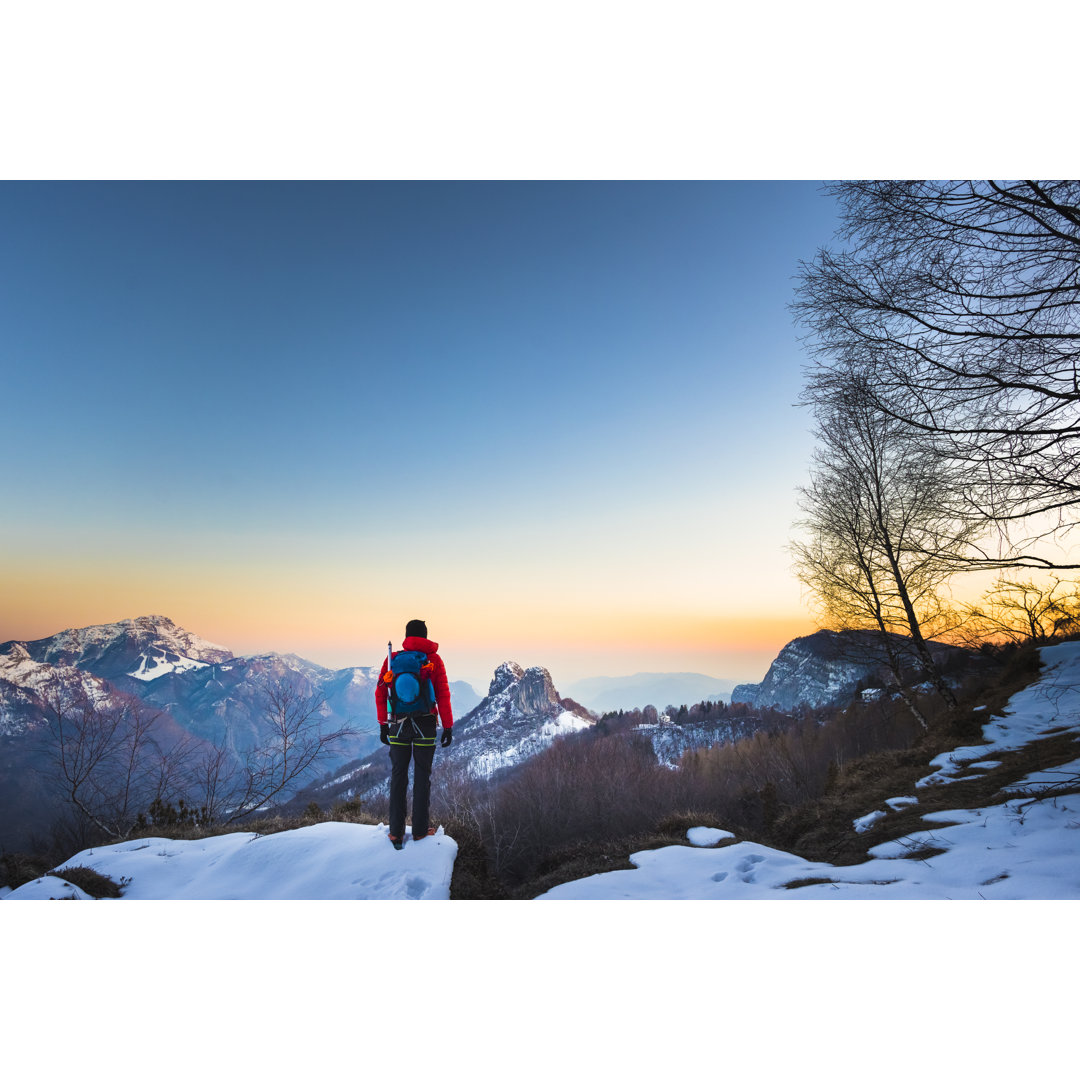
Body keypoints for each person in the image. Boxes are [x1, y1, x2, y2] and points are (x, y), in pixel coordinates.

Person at [375, 619, 454, 849]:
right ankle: (420, 831)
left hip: (398, 724)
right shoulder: (434, 660)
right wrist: (447, 726)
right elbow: (443, 694)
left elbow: (381, 692)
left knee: (398, 776)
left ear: (407, 636)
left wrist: (383, 724)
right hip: (426, 725)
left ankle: (396, 833)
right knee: (422, 776)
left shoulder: (394, 659)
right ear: (426, 636)